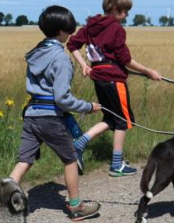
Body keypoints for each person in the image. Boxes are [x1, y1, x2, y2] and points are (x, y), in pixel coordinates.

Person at [8, 5, 103, 222]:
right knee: (70, 158)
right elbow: (62, 99)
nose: (70, 35)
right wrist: (89, 106)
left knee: (25, 161)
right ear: (61, 31)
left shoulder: (35, 53)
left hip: (31, 115)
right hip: (50, 117)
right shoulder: (60, 58)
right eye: (69, 31)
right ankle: (76, 207)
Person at [66, 0, 162, 177]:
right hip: (114, 80)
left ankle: (79, 143)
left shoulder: (90, 26)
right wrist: (149, 71)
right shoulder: (117, 29)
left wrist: (84, 65)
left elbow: (72, 45)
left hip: (99, 79)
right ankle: (117, 165)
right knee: (122, 121)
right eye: (126, 11)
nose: (127, 16)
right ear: (116, 9)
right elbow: (125, 60)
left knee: (111, 117)